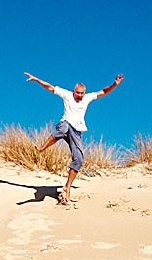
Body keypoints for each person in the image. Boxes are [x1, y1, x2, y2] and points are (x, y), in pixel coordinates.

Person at [24, 72, 124, 203]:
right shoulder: (67, 95)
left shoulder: (87, 98)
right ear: (73, 91)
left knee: (79, 160)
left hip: (77, 131)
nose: (79, 96)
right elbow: (50, 87)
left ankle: (67, 187)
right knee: (63, 128)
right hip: (66, 124)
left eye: (81, 93)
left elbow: (104, 91)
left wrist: (114, 84)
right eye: (77, 93)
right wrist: (36, 79)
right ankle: (42, 148)